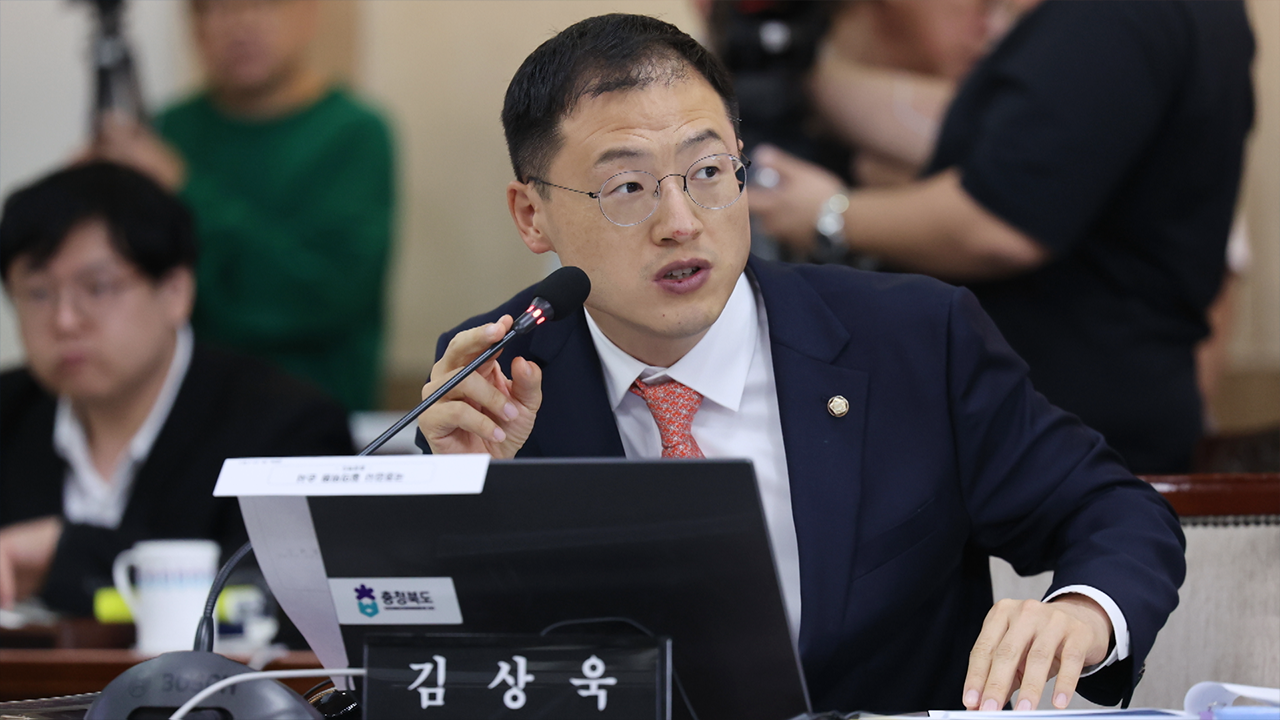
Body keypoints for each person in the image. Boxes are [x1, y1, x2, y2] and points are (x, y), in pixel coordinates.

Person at [413, 14, 1185, 715]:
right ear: (532, 215)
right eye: (627, 187)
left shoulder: (913, 340)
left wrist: (1081, 613)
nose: (681, 222)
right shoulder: (496, 383)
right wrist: (462, 497)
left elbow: (1113, 510)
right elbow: (437, 668)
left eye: (708, 171)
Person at [748, 0, 1255, 474]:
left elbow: (1004, 221)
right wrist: (807, 82)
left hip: (1061, 437)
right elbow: (1022, 146)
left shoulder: (1111, 16)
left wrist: (830, 215)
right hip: (1087, 417)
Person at [0, 161, 354, 617]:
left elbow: (291, 595)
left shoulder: (286, 424)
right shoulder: (9, 410)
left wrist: (65, 553)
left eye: (98, 288)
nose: (65, 320)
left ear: (175, 292)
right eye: (38, 293)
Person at [92, 0, 395, 411]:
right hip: (182, 410)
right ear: (194, 26)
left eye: (263, 4)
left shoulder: (354, 133)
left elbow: (325, 295)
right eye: (216, 8)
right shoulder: (168, 130)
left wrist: (184, 187)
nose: (241, 24)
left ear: (309, 14)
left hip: (312, 412)